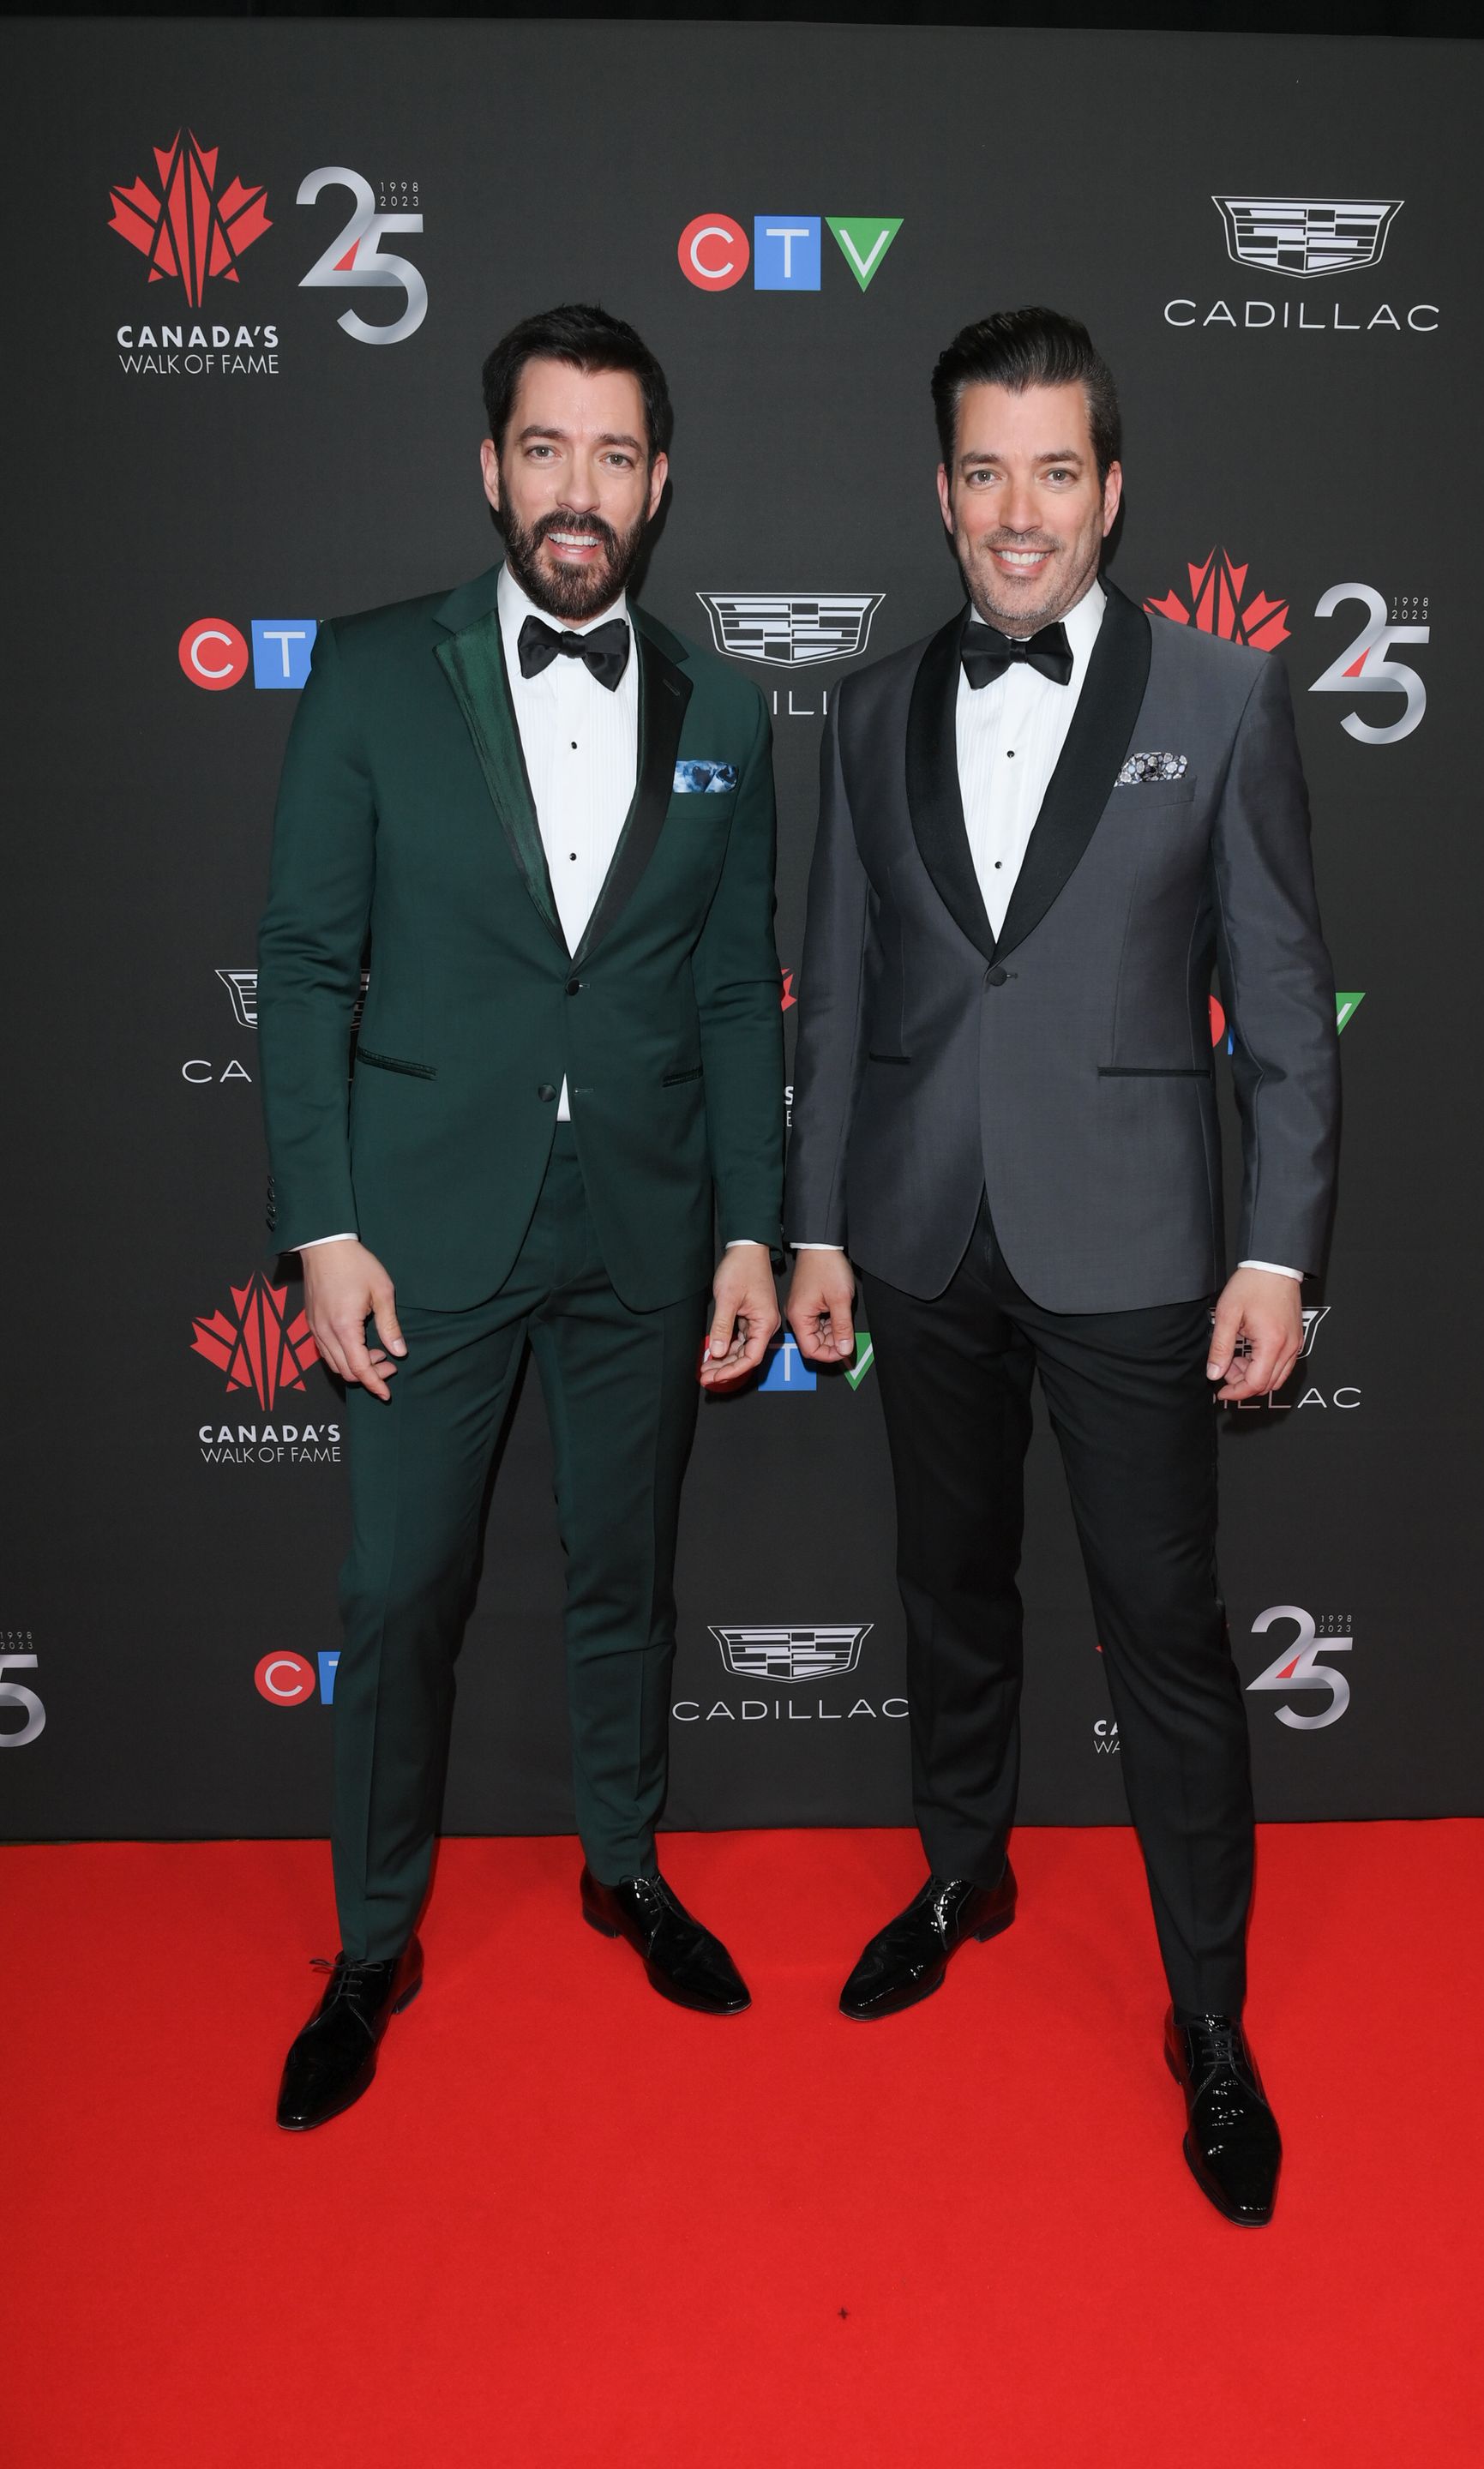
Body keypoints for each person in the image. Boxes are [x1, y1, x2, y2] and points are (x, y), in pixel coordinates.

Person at [784, 307, 1340, 2225]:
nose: (1019, 515)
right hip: (924, 1235)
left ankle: (1208, 2021)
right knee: (950, 1585)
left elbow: (1281, 998)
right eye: (983, 473)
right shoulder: (861, 709)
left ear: (1113, 489)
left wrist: (1278, 1248)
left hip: (1132, 1248)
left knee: (1168, 1637)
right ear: (943, 494)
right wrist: (818, 1224)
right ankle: (964, 1868)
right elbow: (840, 991)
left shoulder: (1227, 688)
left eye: (1056, 471)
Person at [258, 303, 785, 2131]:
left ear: (660, 486)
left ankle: (623, 1867)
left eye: (615, 455)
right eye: (545, 449)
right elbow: (311, 964)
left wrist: (748, 1227)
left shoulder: (725, 704)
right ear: (492, 469)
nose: (580, 489)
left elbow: (735, 994)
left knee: (625, 1578)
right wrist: (321, 1224)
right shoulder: (372, 672)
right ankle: (374, 1940)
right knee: (400, 1592)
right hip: (419, 1227)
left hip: (645, 1221)